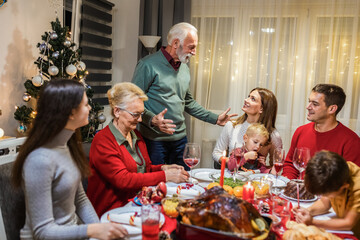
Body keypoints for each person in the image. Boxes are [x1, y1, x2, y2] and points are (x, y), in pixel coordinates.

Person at [11, 79, 128, 240]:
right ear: (70, 112)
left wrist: (100, 230)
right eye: (86, 104)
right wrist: (91, 231)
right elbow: (42, 232)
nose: (89, 108)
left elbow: (80, 199)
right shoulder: (39, 160)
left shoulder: (67, 145)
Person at [132, 22, 237, 169]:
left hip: (181, 139)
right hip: (154, 140)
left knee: (184, 181)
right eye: (191, 47)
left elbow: (188, 102)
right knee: (156, 184)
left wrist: (215, 118)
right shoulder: (147, 65)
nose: (194, 52)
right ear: (176, 43)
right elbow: (133, 101)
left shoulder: (184, 68)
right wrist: (152, 120)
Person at [86, 82, 190, 217]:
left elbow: (144, 170)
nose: (140, 119)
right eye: (135, 114)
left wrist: (163, 168)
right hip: (112, 212)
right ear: (117, 111)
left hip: (137, 205)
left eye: (141, 114)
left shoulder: (135, 135)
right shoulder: (103, 140)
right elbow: (124, 179)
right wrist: (165, 176)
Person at [282, 84, 360, 180]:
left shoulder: (351, 141)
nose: (308, 107)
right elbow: (290, 164)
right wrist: (290, 185)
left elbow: (351, 180)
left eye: (315, 104)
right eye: (309, 102)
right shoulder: (300, 131)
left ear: (332, 109)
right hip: (297, 192)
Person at [212, 88, 283, 173]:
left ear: (262, 109)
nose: (246, 100)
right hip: (232, 177)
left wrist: (262, 165)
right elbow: (216, 153)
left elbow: (276, 165)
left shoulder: (273, 135)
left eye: (253, 99)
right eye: (248, 97)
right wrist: (236, 161)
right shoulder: (231, 125)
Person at [293, 151, 360, 238]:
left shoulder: (357, 186)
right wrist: (308, 211)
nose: (325, 196)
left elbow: (348, 223)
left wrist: (312, 222)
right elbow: (325, 203)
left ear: (344, 186)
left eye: (327, 194)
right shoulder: (334, 171)